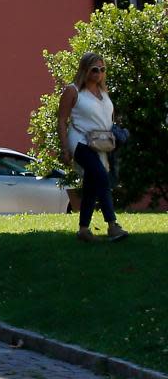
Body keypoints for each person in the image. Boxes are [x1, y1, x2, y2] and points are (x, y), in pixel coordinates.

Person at [57, 52, 128, 242]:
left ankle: (83, 229)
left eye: (102, 69)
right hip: (80, 141)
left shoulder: (104, 93)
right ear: (84, 70)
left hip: (101, 143)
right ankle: (112, 225)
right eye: (94, 69)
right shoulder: (73, 91)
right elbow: (62, 119)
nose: (99, 73)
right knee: (101, 176)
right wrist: (65, 149)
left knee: (91, 184)